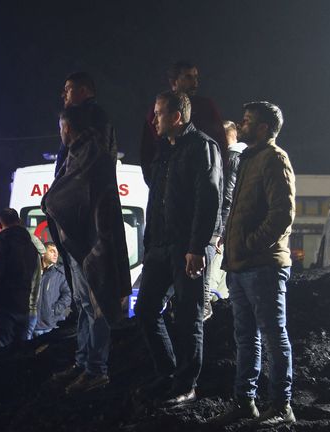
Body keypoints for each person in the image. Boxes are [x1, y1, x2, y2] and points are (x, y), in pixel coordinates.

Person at [134, 91, 222, 407]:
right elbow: (155, 200)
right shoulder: (164, 152)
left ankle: (187, 385)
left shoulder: (202, 147)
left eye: (158, 114)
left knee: (188, 315)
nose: (153, 119)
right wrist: (149, 244)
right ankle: (168, 372)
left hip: (188, 247)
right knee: (144, 310)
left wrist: (197, 247)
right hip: (159, 247)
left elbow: (208, 199)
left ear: (176, 116)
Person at [212, 102, 296, 427]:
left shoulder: (275, 159)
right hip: (240, 267)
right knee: (246, 337)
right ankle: (245, 402)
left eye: (247, 121)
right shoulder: (249, 160)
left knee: (274, 335)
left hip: (262, 266)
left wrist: (247, 245)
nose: (241, 125)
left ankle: (281, 405)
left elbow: (282, 215)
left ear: (263, 128)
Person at [43, 105, 131, 394]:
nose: (60, 134)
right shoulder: (76, 154)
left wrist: (53, 202)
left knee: (96, 308)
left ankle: (97, 369)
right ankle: (83, 362)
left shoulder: (92, 155)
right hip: (80, 246)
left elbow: (77, 195)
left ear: (67, 127)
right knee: (83, 305)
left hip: (93, 244)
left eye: (60, 128)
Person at [139, 61, 227, 185]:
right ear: (174, 81)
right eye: (188, 77)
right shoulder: (158, 109)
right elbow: (147, 151)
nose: (195, 82)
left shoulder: (206, 107)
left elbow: (221, 144)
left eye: (196, 77)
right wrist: (155, 184)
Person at [0, 208, 38, 354]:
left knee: (1, 356)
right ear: (18, 221)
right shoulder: (30, 245)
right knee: (19, 355)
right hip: (23, 307)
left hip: (2, 308)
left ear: (0, 225)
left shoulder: (2, 242)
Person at [206, 121, 247, 303]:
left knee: (212, 276)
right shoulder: (248, 156)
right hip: (238, 228)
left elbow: (227, 196)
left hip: (225, 229)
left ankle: (208, 305)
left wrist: (220, 230)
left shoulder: (231, 157)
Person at [55, 71, 117, 177]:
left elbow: (97, 160)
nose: (63, 95)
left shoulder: (91, 116)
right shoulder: (89, 115)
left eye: (67, 90)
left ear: (83, 91)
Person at [32, 242, 71, 338]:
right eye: (52, 251)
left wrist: (54, 310)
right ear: (43, 253)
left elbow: (68, 295)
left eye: (57, 252)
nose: (56, 254)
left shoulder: (60, 273)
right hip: (32, 325)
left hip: (51, 325)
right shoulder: (32, 271)